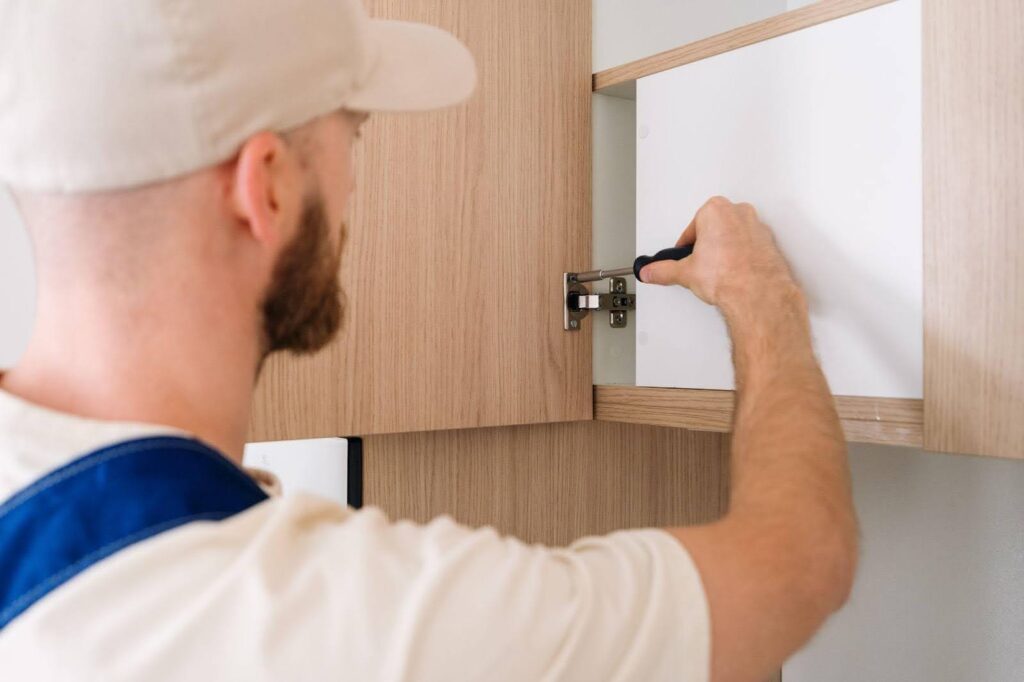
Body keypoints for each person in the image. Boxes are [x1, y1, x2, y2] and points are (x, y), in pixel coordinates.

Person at [0, 1, 857, 680]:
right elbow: (798, 566)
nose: (354, 185)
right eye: (355, 135)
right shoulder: (317, 626)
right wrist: (763, 301)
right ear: (265, 186)